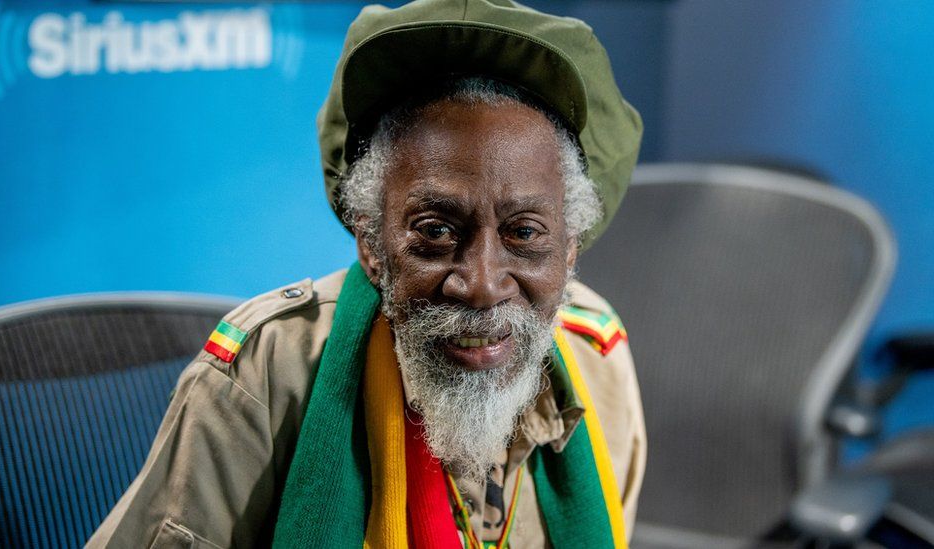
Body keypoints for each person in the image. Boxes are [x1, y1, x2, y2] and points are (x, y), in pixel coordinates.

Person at [88, 0, 645, 547]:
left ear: (569, 248)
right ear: (371, 243)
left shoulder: (596, 361)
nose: (481, 284)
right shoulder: (270, 374)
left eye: (523, 232)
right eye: (435, 230)